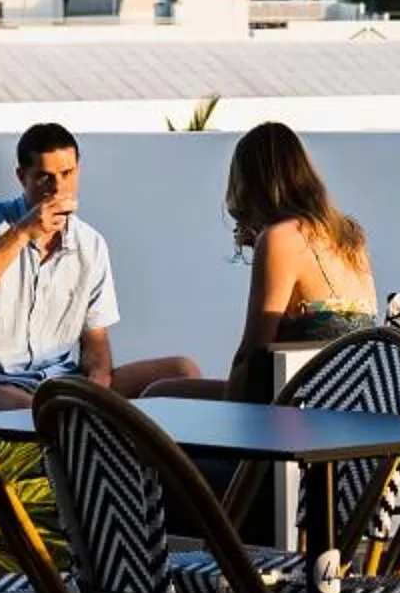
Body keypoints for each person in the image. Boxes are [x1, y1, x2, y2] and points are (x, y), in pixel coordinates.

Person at [0, 122, 199, 410]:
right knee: (33, 409)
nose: (58, 187)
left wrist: (96, 385)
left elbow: (95, 341)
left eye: (67, 174)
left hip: (62, 380)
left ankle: (133, 449)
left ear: (78, 171)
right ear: (22, 178)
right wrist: (22, 232)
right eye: (45, 177)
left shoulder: (90, 245)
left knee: (184, 373)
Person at [149, 122, 378, 400]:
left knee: (159, 394)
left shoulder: (282, 238)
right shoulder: (350, 237)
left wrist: (226, 420)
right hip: (343, 401)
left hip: (293, 410)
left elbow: (252, 353)